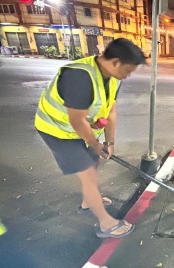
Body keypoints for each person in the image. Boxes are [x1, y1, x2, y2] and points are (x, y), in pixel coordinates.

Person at [35, 38, 146, 239]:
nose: (128, 76)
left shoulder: (112, 78)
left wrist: (109, 142)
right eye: (128, 70)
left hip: (80, 130)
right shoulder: (79, 77)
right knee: (88, 174)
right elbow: (77, 121)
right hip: (57, 131)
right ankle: (105, 224)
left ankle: (89, 201)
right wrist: (95, 144)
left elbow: (111, 110)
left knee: (93, 164)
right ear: (115, 62)